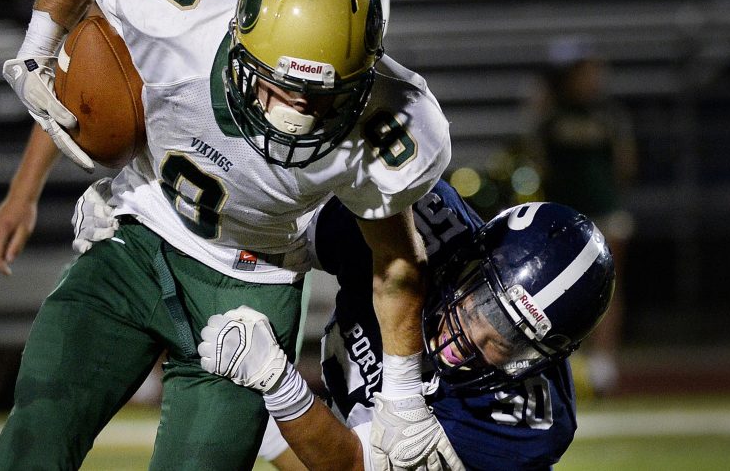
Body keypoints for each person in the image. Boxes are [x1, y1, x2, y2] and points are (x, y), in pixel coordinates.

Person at [0, 0, 450, 470]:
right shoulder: (185, 5)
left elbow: (397, 259)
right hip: (137, 237)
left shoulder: (390, 120)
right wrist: (39, 47)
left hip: (251, 286)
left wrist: (403, 397)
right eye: (281, 85)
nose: (293, 113)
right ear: (239, 36)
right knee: (33, 439)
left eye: (319, 96)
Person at [0, 0, 391, 277]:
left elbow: (334, 113)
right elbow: (91, 68)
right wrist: (29, 193)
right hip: (171, 157)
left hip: (273, 204)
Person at [197, 180, 615, 470]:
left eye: (512, 339)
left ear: (541, 359)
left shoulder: (520, 421)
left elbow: (353, 465)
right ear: (470, 262)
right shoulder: (422, 225)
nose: (474, 338)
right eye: (485, 303)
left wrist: (277, 382)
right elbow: (281, 235)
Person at [528, 37, 636, 397]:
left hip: (603, 211)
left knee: (609, 288)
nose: (591, 79)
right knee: (562, 288)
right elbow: (537, 164)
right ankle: (567, 362)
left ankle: (603, 365)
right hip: (566, 218)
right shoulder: (549, 118)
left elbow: (625, 165)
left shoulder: (608, 115)